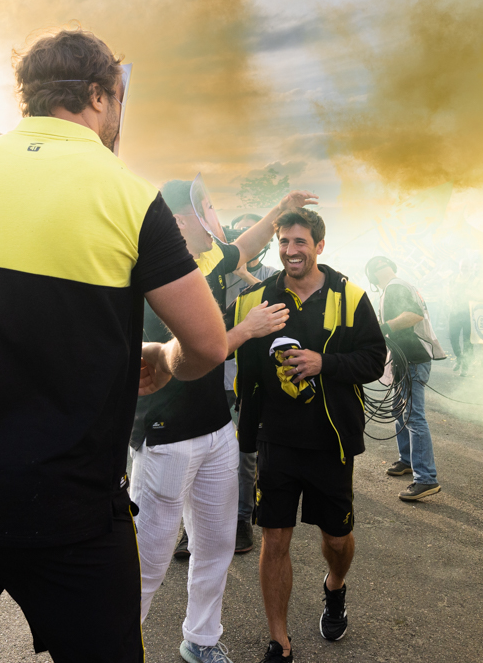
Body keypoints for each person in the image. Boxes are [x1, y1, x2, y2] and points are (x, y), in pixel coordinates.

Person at [0, 28, 228, 663]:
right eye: (118, 102)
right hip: (69, 506)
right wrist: (165, 361)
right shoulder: (128, 193)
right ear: (100, 95)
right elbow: (206, 344)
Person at [132, 184, 314, 663]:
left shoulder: (203, 261)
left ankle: (201, 641)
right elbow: (183, 359)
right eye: (205, 206)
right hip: (165, 437)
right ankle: (118, 645)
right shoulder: (151, 275)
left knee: (214, 547)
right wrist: (245, 330)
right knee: (145, 562)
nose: (215, 215)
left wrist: (282, 207)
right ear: (179, 221)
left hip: (214, 430)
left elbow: (248, 244)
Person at [231, 208, 389, 662]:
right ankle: (278, 640)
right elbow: (230, 355)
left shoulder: (350, 296)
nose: (290, 250)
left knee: (337, 539)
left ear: (319, 246)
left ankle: (335, 585)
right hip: (275, 441)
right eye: (283, 241)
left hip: (331, 442)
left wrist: (325, 363)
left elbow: (374, 360)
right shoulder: (255, 299)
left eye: (300, 242)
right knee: (274, 539)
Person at [223, 212, 280, 554]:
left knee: (243, 454)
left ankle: (243, 519)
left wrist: (245, 274)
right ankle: (193, 528)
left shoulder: (272, 277)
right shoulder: (215, 276)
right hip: (210, 377)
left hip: (246, 382)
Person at [366, 256, 444, 502]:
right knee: (399, 410)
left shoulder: (396, 287)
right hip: (405, 360)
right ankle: (407, 460)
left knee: (413, 416)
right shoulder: (395, 287)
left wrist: (384, 327)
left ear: (373, 275)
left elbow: (413, 315)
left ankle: (426, 479)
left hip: (413, 358)